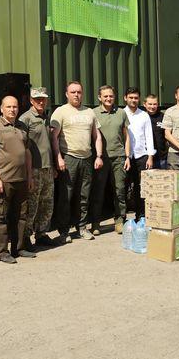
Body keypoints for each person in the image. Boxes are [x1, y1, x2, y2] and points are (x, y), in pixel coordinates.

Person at [0, 95, 36, 264]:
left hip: (22, 180)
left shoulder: (22, 127)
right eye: (8, 107)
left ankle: (19, 248)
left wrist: (29, 176)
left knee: (21, 216)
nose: (12, 110)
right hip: (4, 180)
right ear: (2, 109)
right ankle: (2, 252)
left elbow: (27, 153)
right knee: (1, 217)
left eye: (15, 107)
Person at [50, 81, 103, 242]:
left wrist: (99, 156)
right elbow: (53, 137)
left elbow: (97, 136)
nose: (76, 95)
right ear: (67, 94)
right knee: (66, 196)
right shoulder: (60, 112)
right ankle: (64, 231)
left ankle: (82, 228)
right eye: (73, 92)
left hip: (87, 159)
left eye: (79, 92)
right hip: (69, 158)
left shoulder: (89, 112)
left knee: (84, 196)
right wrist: (58, 157)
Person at [19, 87, 56, 247]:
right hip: (34, 169)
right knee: (32, 205)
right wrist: (27, 173)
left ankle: (41, 234)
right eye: (37, 99)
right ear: (31, 100)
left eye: (43, 99)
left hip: (47, 167)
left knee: (46, 203)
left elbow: (48, 144)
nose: (41, 102)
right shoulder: (25, 119)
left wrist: (53, 166)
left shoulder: (46, 117)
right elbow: (22, 146)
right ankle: (26, 237)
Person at [91, 85, 131, 235]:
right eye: (105, 96)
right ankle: (95, 223)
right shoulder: (93, 113)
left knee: (119, 190)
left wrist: (127, 156)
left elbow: (126, 137)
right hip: (101, 158)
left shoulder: (121, 113)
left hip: (119, 157)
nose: (108, 98)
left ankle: (120, 220)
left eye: (111, 96)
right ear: (99, 97)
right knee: (98, 191)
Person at [124, 87, 155, 225]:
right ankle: (122, 218)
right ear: (125, 98)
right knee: (122, 188)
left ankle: (141, 216)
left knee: (141, 188)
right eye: (131, 97)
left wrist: (150, 156)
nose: (133, 100)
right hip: (125, 157)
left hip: (141, 156)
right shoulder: (121, 113)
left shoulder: (144, 115)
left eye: (136, 98)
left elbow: (149, 136)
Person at [144, 94, 168, 169]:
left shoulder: (163, 117)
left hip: (161, 157)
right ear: (144, 104)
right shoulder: (142, 117)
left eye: (154, 104)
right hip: (145, 157)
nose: (152, 106)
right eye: (150, 104)